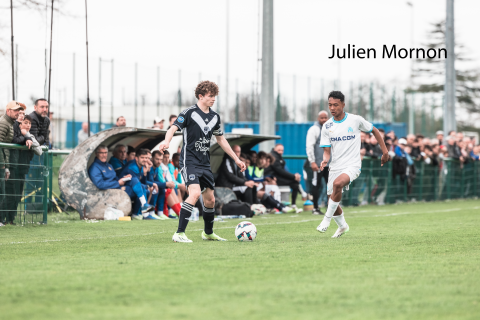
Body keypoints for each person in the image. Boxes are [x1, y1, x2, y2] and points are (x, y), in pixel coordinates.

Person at [159, 80, 246, 243]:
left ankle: (208, 233)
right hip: (189, 161)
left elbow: (221, 140)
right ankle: (179, 233)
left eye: (215, 96)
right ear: (201, 96)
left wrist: (236, 159)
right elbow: (172, 128)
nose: (213, 99)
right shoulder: (188, 113)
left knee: (210, 200)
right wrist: (166, 142)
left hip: (205, 162)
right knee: (195, 193)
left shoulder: (215, 117)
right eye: (210, 96)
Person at [317, 91, 390, 238]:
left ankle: (326, 219)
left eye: (336, 105)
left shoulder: (355, 120)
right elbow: (326, 151)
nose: (332, 108)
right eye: (330, 105)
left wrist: (385, 152)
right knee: (333, 199)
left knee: (338, 185)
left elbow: (374, 130)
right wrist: (325, 159)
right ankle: (343, 226)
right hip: (335, 166)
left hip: (353, 165)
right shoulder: (327, 126)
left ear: (343, 105)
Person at [116, 148, 159, 219]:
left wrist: (145, 174)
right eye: (142, 157)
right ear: (136, 158)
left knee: (147, 189)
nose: (145, 160)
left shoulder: (142, 167)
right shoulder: (132, 167)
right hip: (121, 189)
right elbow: (137, 183)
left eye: (146, 158)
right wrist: (147, 186)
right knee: (141, 186)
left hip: (132, 189)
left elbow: (143, 182)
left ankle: (139, 214)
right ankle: (143, 213)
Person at [0, 101, 24, 225]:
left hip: (4, 162)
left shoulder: (10, 123)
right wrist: (3, 165)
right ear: (8, 110)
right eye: (15, 110)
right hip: (1, 163)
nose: (17, 113)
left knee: (3, 192)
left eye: (18, 110)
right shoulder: (4, 123)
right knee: (2, 192)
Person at [306, 110, 330, 215]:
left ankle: (331, 208)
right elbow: (309, 146)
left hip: (329, 164)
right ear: (318, 118)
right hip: (319, 163)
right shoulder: (314, 129)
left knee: (331, 186)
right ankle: (315, 208)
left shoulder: (330, 129)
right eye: (322, 118)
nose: (324, 120)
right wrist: (312, 161)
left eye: (326, 117)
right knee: (316, 185)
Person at [265, 144, 302, 208]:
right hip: (271, 179)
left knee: (295, 183)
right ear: (274, 149)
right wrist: (294, 176)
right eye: (279, 150)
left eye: (282, 150)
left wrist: (294, 176)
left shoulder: (278, 157)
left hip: (276, 178)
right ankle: (302, 195)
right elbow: (280, 171)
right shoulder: (274, 156)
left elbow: (282, 172)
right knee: (295, 182)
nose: (280, 152)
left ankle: (293, 204)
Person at [150, 150, 182, 218]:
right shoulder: (153, 167)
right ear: (152, 158)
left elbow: (158, 180)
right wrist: (166, 184)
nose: (159, 161)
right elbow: (153, 181)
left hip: (154, 185)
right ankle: (177, 212)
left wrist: (167, 184)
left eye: (160, 159)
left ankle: (178, 212)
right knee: (162, 189)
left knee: (171, 189)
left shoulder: (157, 167)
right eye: (157, 159)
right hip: (146, 186)